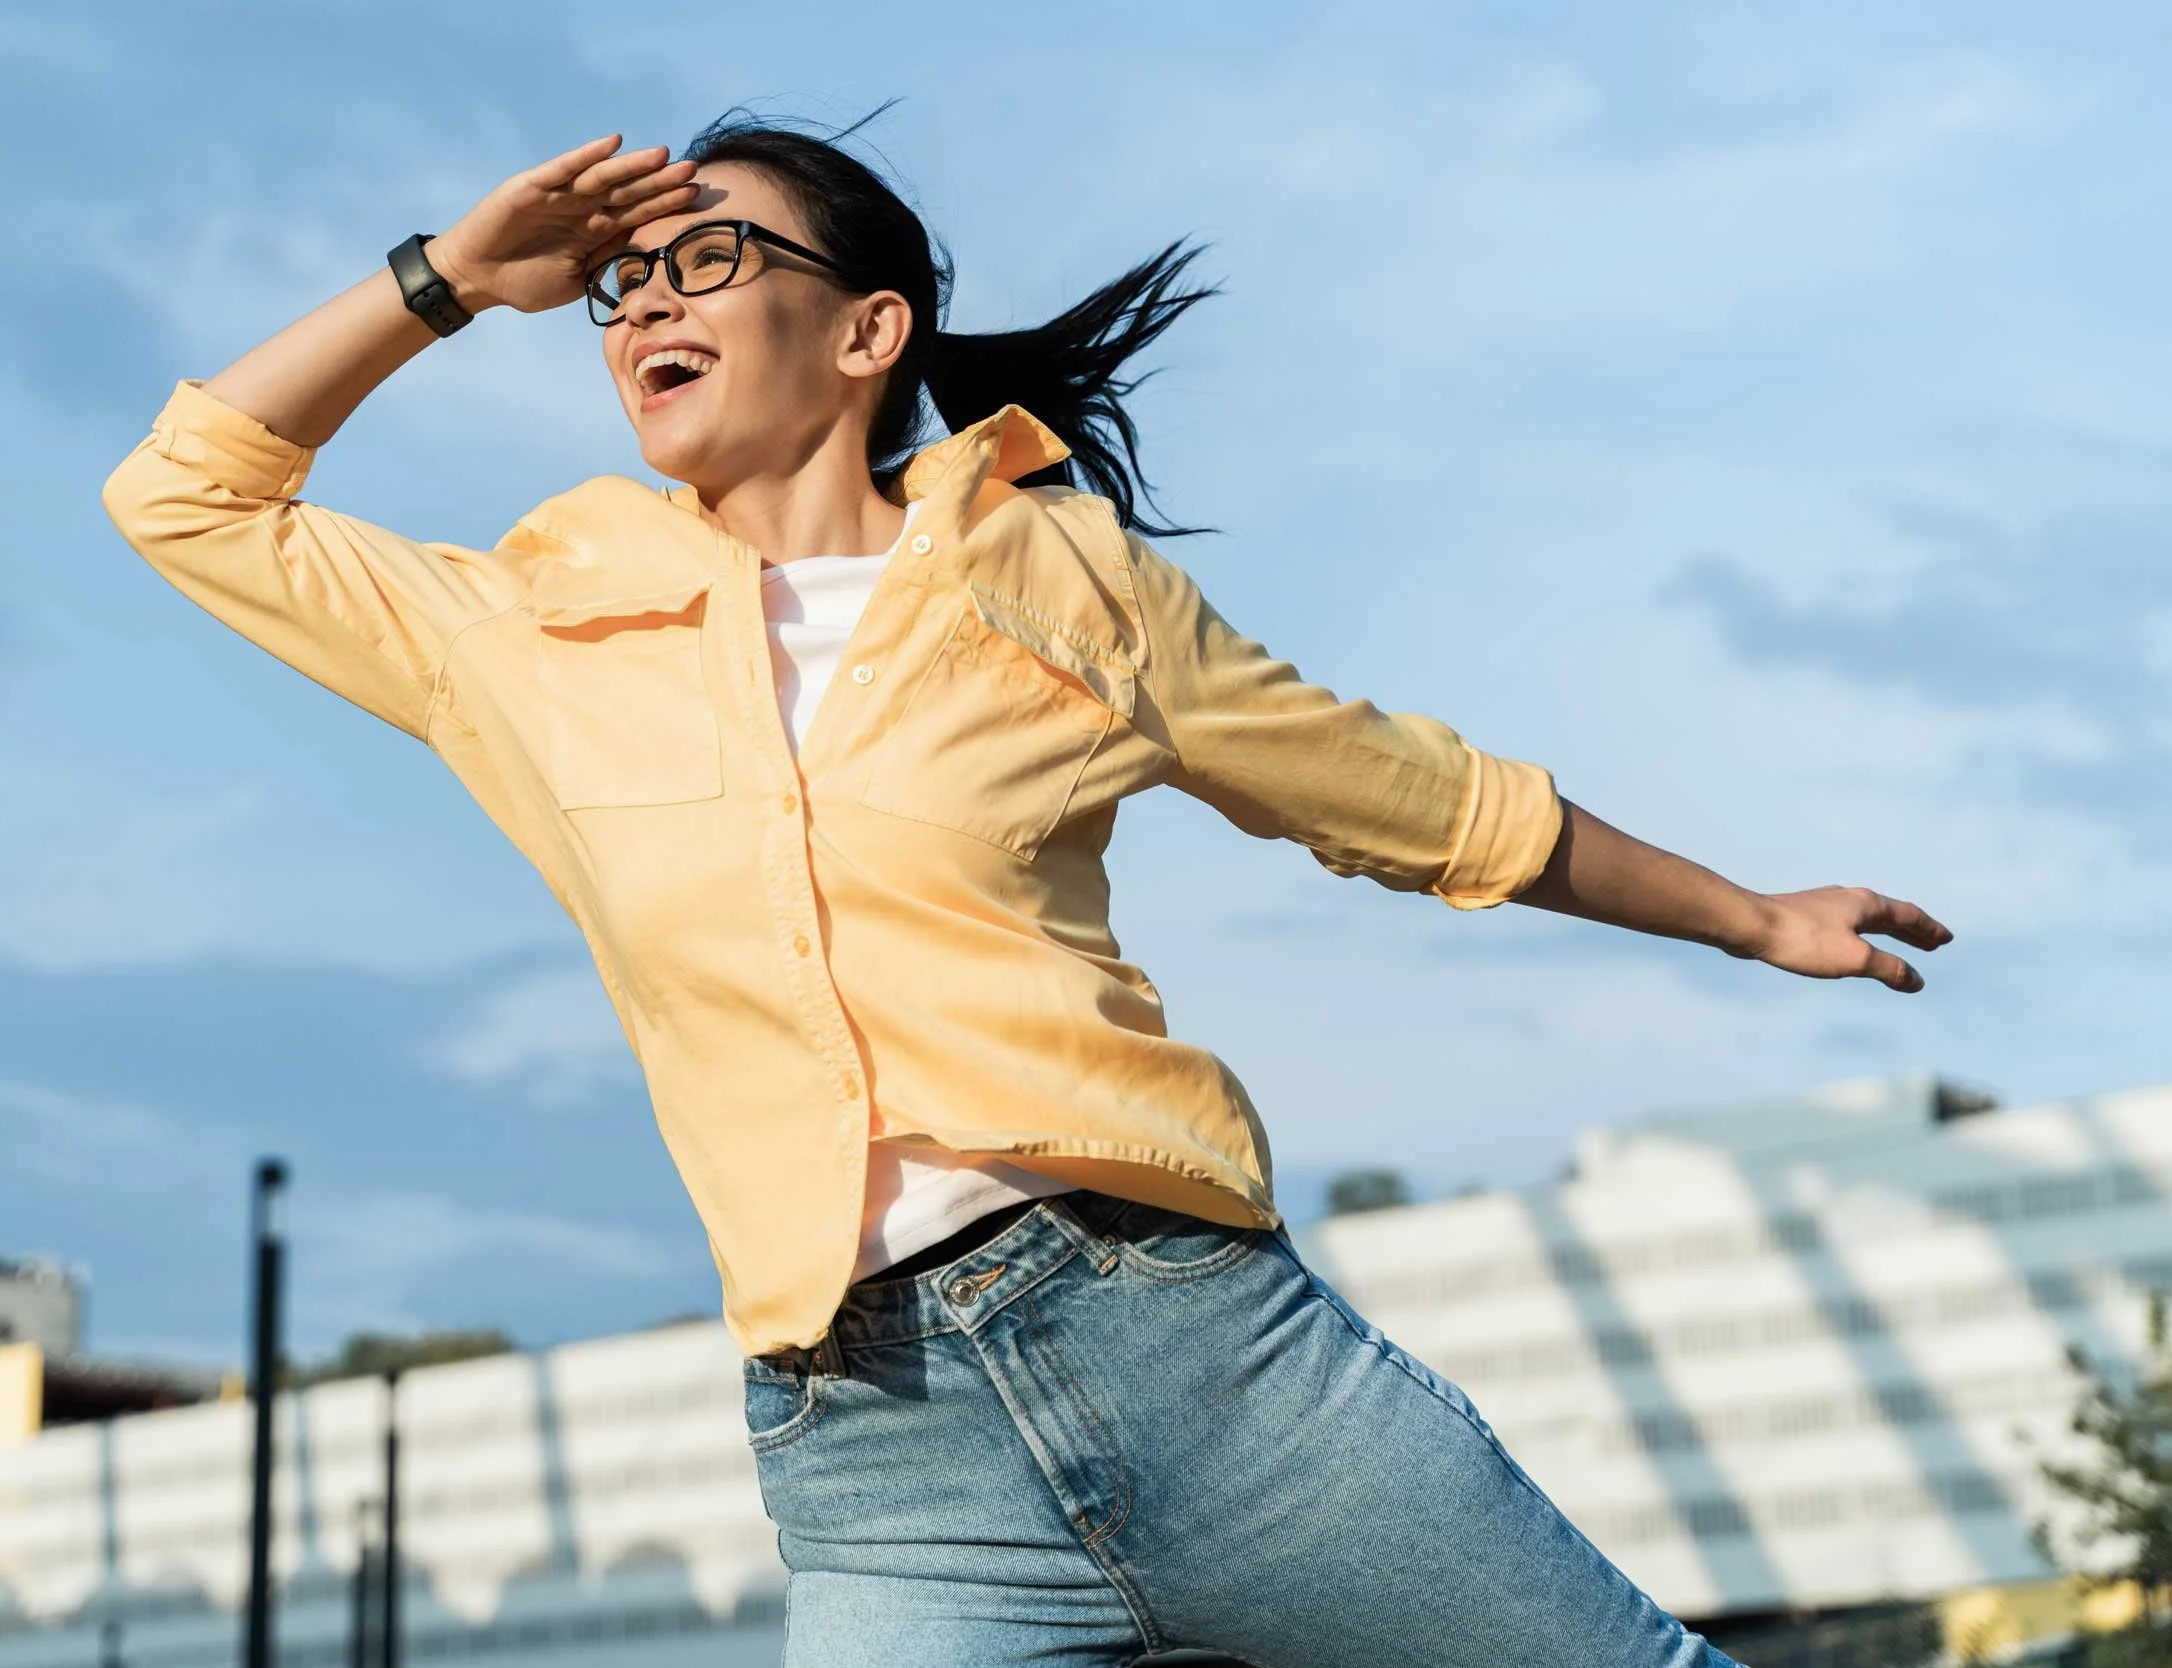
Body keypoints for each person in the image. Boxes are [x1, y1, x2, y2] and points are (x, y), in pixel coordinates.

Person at [103, 114, 1949, 1667]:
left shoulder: (1062, 577)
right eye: (620, 282)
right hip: (881, 1458)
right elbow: (185, 496)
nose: (644, 297)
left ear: (864, 330)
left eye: (709, 257)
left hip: (1202, 1361)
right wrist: (445, 280)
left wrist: (1758, 916)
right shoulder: (521, 628)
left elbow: (1416, 798)